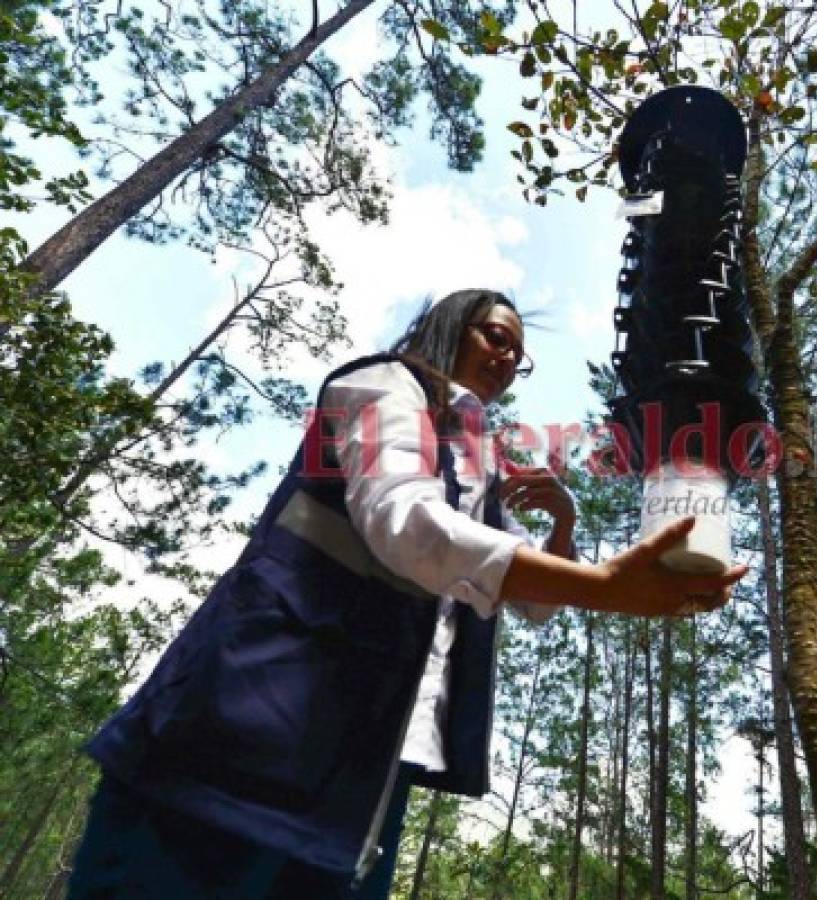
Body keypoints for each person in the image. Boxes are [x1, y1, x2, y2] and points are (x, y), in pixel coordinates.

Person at [67, 289, 747, 899]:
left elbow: (537, 599)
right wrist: (605, 587)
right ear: (445, 327)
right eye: (495, 336)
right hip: (237, 735)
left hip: (363, 773)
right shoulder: (384, 385)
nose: (508, 359)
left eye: (519, 355)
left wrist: (565, 525)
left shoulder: (478, 462)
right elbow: (406, 520)